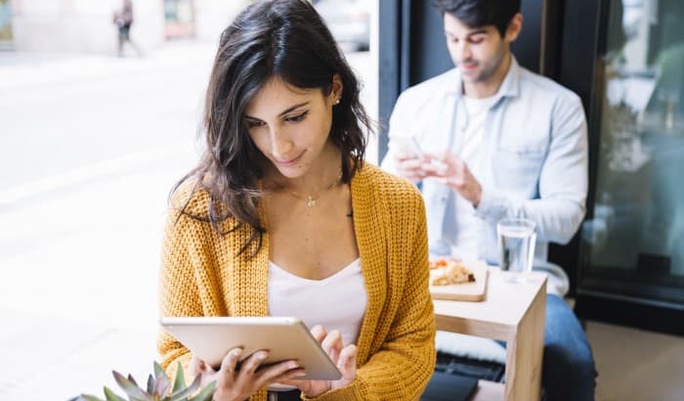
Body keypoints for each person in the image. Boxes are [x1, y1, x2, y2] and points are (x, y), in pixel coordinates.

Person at [157, 1, 436, 401]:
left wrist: (345, 393)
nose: (278, 146)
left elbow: (413, 345)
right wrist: (218, 393)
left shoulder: (400, 205)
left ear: (334, 89)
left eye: (294, 116)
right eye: (255, 124)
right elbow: (174, 355)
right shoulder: (200, 209)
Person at [381, 0, 597, 400]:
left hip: (518, 280)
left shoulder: (558, 107)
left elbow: (566, 219)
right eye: (452, 38)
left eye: (476, 39)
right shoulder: (416, 102)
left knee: (573, 364)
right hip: (427, 274)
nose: (462, 53)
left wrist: (480, 195)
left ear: (513, 28)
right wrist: (397, 179)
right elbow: (379, 204)